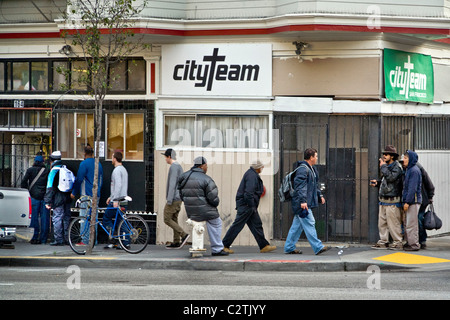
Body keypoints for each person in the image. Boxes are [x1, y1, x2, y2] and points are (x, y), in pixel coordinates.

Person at [222, 160, 276, 254]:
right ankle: (224, 245)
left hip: (248, 205)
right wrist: (252, 205)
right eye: (261, 167)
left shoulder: (252, 174)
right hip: (247, 206)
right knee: (237, 226)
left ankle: (263, 245)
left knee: (257, 225)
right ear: (258, 168)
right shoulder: (252, 176)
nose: (262, 169)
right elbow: (248, 193)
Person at [178, 156, 228, 256]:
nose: (207, 168)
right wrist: (216, 203)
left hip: (191, 212)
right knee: (216, 222)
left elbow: (181, 195)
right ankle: (217, 249)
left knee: (208, 219)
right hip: (205, 211)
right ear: (202, 166)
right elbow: (213, 198)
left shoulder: (184, 177)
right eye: (206, 166)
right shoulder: (206, 179)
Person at [284, 148, 330, 255]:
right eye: (316, 156)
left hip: (304, 202)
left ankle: (289, 247)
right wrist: (303, 201)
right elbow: (300, 187)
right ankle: (318, 247)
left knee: (297, 227)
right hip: (302, 204)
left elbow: (313, 186)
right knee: (310, 222)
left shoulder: (312, 169)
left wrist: (319, 195)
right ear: (311, 157)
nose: (317, 158)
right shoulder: (303, 169)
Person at [369, 145, 404, 250]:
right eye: (384, 154)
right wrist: (378, 183)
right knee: (382, 223)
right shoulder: (387, 167)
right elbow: (387, 181)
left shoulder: (396, 167)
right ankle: (383, 241)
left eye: (386, 154)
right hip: (383, 200)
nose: (384, 156)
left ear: (392, 156)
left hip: (392, 201)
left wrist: (383, 167)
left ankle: (398, 242)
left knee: (394, 223)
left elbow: (391, 178)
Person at [71, 145, 103, 245]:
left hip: (86, 195)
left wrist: (73, 192)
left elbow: (79, 179)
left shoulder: (83, 164)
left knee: (84, 217)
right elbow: (101, 180)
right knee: (94, 218)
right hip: (96, 195)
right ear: (92, 154)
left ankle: (85, 240)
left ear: (84, 154)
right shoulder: (99, 164)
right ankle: (94, 240)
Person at [162, 148, 189, 249]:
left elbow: (172, 184)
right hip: (179, 197)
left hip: (174, 198)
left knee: (166, 218)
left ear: (169, 157)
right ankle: (176, 241)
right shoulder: (179, 167)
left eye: (165, 157)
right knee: (174, 218)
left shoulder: (174, 167)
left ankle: (184, 235)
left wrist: (169, 199)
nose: (165, 159)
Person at [44, 151, 72, 246]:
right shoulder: (65, 168)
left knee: (57, 218)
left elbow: (50, 187)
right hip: (67, 197)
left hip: (58, 198)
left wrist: (47, 201)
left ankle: (58, 239)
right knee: (66, 218)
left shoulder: (53, 171)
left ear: (51, 160)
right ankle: (67, 238)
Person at [21, 155, 50, 244]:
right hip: (45, 197)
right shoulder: (47, 171)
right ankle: (43, 239)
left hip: (33, 196)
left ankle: (34, 237)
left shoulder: (30, 170)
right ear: (42, 162)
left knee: (34, 218)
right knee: (44, 218)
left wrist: (28, 190)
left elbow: (23, 182)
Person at [103, 151, 129, 249]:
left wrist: (115, 200)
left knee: (106, 219)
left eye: (112, 157)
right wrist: (111, 197)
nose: (111, 159)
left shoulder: (117, 170)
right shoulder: (124, 170)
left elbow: (117, 185)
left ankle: (113, 239)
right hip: (122, 199)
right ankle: (125, 242)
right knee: (121, 221)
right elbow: (118, 186)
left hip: (118, 200)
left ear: (115, 158)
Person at [402, 150, 422, 251]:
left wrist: (407, 202)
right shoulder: (410, 170)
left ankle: (413, 244)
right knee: (409, 223)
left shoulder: (413, 171)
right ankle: (410, 242)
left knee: (411, 224)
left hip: (412, 202)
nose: (403, 160)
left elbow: (412, 188)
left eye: (406, 158)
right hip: (411, 201)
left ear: (411, 160)